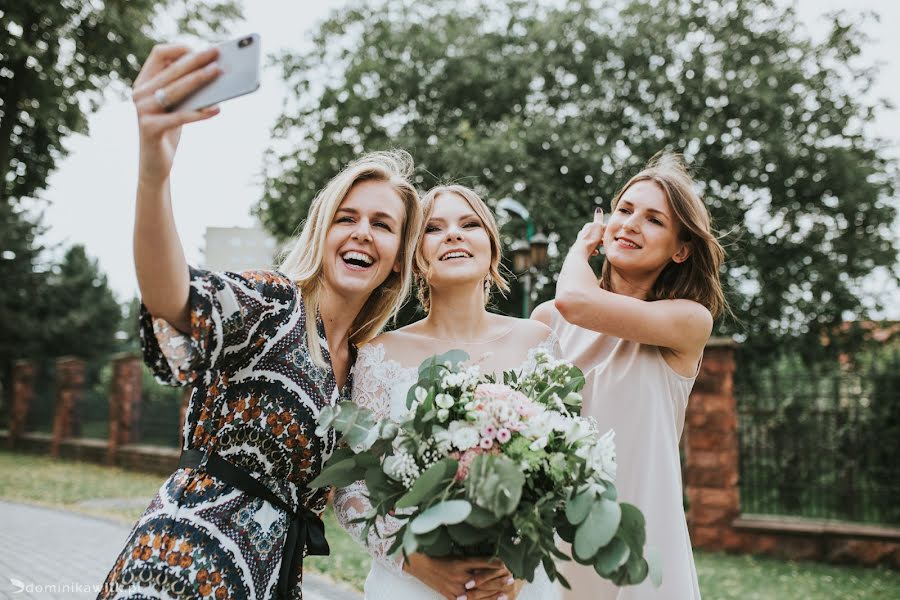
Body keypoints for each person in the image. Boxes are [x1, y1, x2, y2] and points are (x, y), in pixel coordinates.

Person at [98, 43, 423, 600]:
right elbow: (173, 296)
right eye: (347, 217)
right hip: (185, 566)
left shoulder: (365, 366)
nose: (363, 231)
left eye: (382, 224)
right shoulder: (273, 305)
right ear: (323, 233)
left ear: (397, 257)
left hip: (272, 577)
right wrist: (154, 171)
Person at [333, 185, 560, 600]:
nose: (453, 235)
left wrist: (523, 563)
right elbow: (352, 491)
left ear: (492, 248)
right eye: (433, 229)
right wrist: (416, 563)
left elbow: (562, 471)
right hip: (413, 583)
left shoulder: (538, 343)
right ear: (414, 258)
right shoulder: (378, 354)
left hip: (515, 584)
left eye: (469, 224)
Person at [533, 154, 726, 600]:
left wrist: (580, 249)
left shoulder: (687, 321)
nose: (631, 224)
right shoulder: (546, 321)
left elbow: (576, 303)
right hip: (559, 536)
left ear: (680, 249)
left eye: (654, 219)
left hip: (641, 539)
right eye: (624, 210)